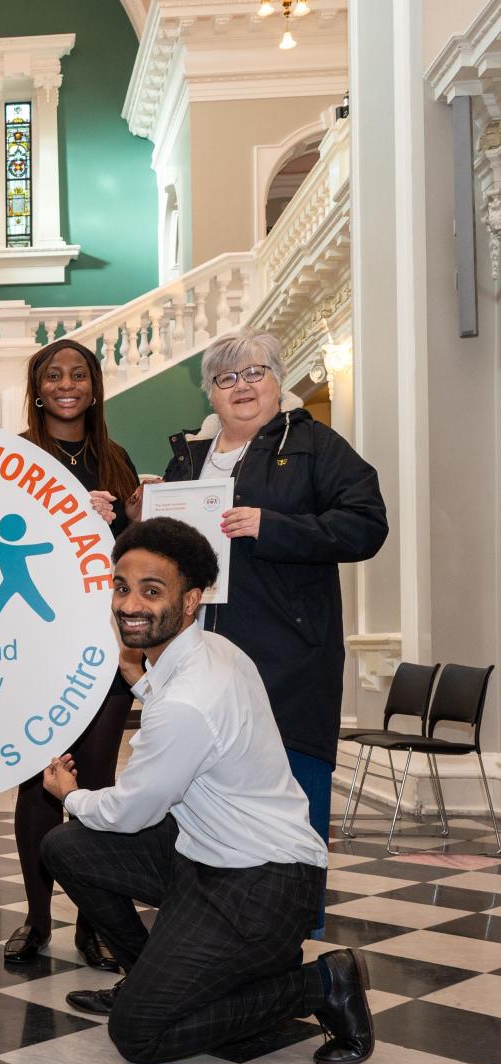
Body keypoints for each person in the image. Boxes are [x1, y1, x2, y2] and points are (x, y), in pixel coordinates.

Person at [41, 517, 373, 1064]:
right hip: (209, 858)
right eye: (121, 587)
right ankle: (150, 976)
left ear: (191, 600)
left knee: (140, 1036)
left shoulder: (188, 699)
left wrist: (70, 793)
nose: (129, 604)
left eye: (152, 591)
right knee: (65, 847)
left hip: (263, 886)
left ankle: (323, 984)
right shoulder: (215, 650)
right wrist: (138, 676)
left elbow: (130, 812)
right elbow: (186, 710)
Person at [159, 328, 387, 933]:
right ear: (210, 391)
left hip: (288, 659)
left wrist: (274, 526)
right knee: (200, 799)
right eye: (226, 377)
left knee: (291, 798)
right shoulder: (188, 457)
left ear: (278, 379)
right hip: (201, 657)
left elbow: (367, 525)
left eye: (254, 372)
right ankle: (206, 937)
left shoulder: (316, 445)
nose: (241, 386)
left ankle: (286, 946)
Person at [4, 339, 141, 968]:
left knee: (98, 779)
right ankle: (36, 919)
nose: (66, 385)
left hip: (105, 649)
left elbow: (136, 561)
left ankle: (94, 921)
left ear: (94, 386)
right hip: (35, 644)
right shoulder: (18, 455)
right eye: (53, 376)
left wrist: (135, 517)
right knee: (38, 783)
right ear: (37, 387)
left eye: (78, 375)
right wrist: (61, 518)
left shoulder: (114, 459)